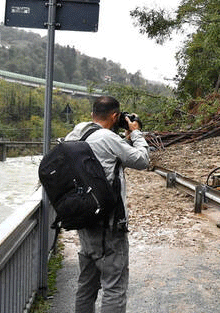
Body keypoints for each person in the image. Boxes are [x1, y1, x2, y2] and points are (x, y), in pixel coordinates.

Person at [64, 95, 150, 313]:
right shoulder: (107, 138)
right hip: (110, 225)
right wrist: (136, 133)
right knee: (114, 286)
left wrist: (124, 138)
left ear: (93, 114)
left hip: (83, 218)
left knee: (86, 286)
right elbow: (142, 160)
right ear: (115, 116)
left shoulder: (76, 133)